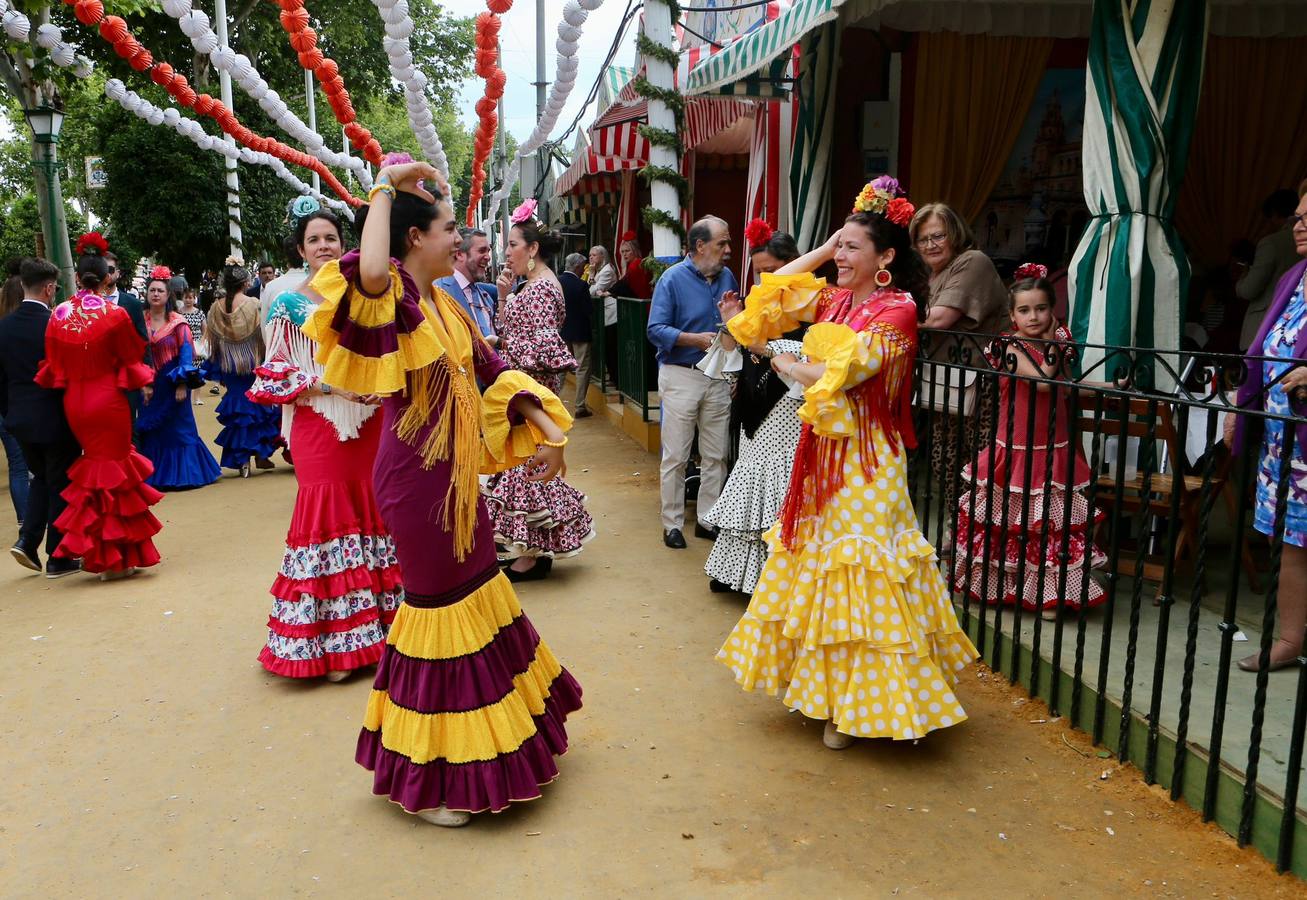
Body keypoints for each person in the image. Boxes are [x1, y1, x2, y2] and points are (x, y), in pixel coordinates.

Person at [300, 160, 581, 827]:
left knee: (481, 595)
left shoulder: (447, 305)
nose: (461, 238)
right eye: (449, 228)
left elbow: (494, 371)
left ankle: (496, 749)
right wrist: (382, 185)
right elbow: (368, 270)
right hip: (413, 485)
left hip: (457, 482)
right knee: (437, 616)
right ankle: (433, 779)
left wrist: (548, 430)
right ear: (414, 239)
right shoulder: (389, 297)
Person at [715, 176, 977, 749]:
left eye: (854, 249)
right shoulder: (833, 297)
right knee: (822, 574)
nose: (841, 258)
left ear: (886, 257)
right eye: (840, 247)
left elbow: (844, 374)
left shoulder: (900, 310)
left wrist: (785, 363)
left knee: (861, 577)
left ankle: (856, 711)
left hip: (866, 461)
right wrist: (830, 242)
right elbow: (772, 288)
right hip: (823, 453)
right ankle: (830, 697)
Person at [248, 202, 402, 680]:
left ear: (345, 245)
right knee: (327, 519)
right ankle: (332, 645)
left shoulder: (364, 297)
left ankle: (381, 635)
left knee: (374, 512)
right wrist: (334, 386)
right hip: (319, 422)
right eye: (313, 240)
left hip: (370, 420)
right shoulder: (288, 304)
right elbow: (275, 375)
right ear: (301, 250)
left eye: (330, 238)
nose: (323, 247)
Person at [951, 264, 1106, 620]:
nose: (1033, 316)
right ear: (1012, 316)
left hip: (1054, 448)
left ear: (1052, 311)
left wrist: (1111, 387)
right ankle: (1003, 585)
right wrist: (1055, 342)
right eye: (1024, 310)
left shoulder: (1058, 347)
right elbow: (1042, 382)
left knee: (1049, 525)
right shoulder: (1007, 345)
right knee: (1010, 520)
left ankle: (1048, 593)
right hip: (1017, 448)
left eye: (1040, 308)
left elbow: (1067, 385)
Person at [36, 250, 163, 580]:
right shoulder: (114, 312)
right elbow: (130, 356)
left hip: (75, 402)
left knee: (93, 470)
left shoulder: (58, 314)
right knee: (117, 471)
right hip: (107, 400)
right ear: (108, 278)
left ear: (76, 278)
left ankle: (99, 556)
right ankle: (119, 557)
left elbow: (53, 365)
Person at [485, 205, 595, 581]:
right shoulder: (532, 285)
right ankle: (531, 551)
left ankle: (531, 556)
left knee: (527, 468)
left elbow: (543, 355)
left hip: (531, 393)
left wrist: (500, 356)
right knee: (525, 468)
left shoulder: (543, 289)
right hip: (521, 391)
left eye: (513, 244)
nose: (508, 252)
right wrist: (502, 302)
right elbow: (519, 338)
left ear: (532, 249)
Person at [1227, 192, 1307, 673]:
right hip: (1287, 444)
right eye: (1298, 217)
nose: (1298, 226)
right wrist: (1242, 406)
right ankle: (1289, 639)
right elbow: (1261, 352)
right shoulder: (1293, 277)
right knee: (1294, 540)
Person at [702, 224, 803, 595]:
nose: (765, 278)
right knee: (748, 481)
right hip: (752, 404)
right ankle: (736, 573)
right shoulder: (758, 301)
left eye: (772, 269)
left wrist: (747, 334)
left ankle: (770, 580)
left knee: (778, 487)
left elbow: (812, 357)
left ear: (793, 263)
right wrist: (731, 323)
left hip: (788, 408)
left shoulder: (812, 304)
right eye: (760, 271)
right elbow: (734, 354)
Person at [908, 203, 1009, 519]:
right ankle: (962, 525)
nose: (930, 245)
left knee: (981, 460)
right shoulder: (934, 274)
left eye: (938, 236)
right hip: (947, 383)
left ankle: (982, 531)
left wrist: (889, 314)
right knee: (945, 460)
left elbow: (938, 319)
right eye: (922, 239)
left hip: (983, 383)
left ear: (955, 234)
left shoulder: (972, 262)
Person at [647, 215, 739, 549]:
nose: (728, 250)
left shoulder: (727, 276)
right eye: (722, 243)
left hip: (718, 377)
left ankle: (707, 519)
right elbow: (655, 329)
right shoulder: (671, 279)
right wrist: (692, 339)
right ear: (700, 246)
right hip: (680, 374)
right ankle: (671, 524)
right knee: (677, 455)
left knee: (715, 454)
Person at [0, 258, 81, 577]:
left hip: (19, 419)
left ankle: (28, 540)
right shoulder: (57, 323)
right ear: (49, 288)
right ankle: (58, 557)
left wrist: (10, 412)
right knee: (60, 484)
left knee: (43, 479)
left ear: (23, 285)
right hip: (56, 417)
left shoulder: (3, 327)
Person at [135, 266, 221, 491]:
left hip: (173, 383)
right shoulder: (139, 321)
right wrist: (143, 382)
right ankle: (152, 473)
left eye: (160, 291)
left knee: (180, 429)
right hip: (149, 384)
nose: (155, 294)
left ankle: (186, 474)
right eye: (152, 290)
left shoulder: (178, 322)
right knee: (152, 431)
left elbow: (185, 354)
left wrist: (183, 383)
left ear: (168, 295)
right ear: (147, 294)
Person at [205, 259, 280, 476]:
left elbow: (213, 341)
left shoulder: (215, 308)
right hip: (252, 363)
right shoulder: (253, 304)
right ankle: (260, 454)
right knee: (258, 407)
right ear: (246, 282)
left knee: (239, 410)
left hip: (228, 365)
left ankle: (244, 458)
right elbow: (264, 336)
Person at [1238, 189, 1302, 351]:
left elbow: (1249, 290)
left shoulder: (1272, 243)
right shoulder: (1295, 250)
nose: (1298, 229)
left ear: (1274, 214)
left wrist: (1242, 276)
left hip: (1266, 329)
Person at [0, 261, 31, 528]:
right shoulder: (28, 325)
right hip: (29, 404)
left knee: (17, 465)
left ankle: (25, 519)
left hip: (6, 407)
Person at [436, 228, 498, 343]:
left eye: (488, 251)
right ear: (459, 254)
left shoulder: (486, 296)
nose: (488, 257)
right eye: (482, 251)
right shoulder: (439, 291)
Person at [559, 252, 594, 416]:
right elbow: (589, 310)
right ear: (578, 266)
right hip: (580, 331)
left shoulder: (556, 282)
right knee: (582, 368)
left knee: (560, 367)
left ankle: (553, 400)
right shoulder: (581, 285)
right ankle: (579, 405)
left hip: (562, 331)